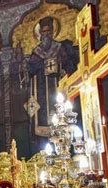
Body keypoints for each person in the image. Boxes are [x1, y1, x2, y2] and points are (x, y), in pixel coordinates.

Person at [26, 16, 76, 153]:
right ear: (40, 34)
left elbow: (70, 66)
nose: (46, 34)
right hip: (41, 94)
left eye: (48, 31)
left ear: (53, 31)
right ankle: (44, 153)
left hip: (58, 90)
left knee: (63, 120)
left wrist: (62, 69)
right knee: (42, 126)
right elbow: (30, 70)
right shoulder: (36, 52)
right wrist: (41, 66)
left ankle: (66, 151)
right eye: (43, 32)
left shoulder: (60, 48)